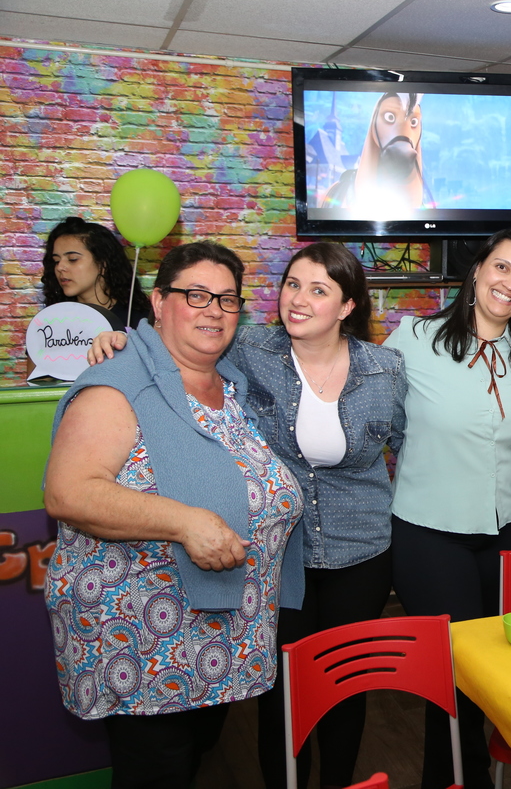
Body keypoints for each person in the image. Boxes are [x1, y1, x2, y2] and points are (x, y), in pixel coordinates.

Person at [88, 242, 408, 788]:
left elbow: (406, 443)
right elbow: (177, 342)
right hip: (279, 556)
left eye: (318, 290)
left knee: (344, 686)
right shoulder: (250, 347)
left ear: (348, 305)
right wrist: (123, 340)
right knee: (280, 690)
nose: (297, 299)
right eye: (291, 284)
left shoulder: (385, 369)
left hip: (362, 551)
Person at [43, 241, 303, 788]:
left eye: (227, 299)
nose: (214, 310)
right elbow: (69, 492)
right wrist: (185, 522)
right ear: (160, 302)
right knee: (157, 770)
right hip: (142, 639)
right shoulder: (119, 382)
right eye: (197, 295)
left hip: (221, 632)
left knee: (190, 760)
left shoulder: (230, 382)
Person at [385, 229, 511, 789]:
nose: (510, 284)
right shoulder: (414, 338)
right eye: (502, 267)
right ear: (477, 270)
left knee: (492, 668)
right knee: (455, 677)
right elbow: (369, 407)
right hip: (430, 534)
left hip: (506, 530)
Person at [42, 216, 152, 328]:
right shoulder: (54, 321)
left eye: (72, 259)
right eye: (56, 261)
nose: (60, 267)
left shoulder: (140, 321)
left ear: (103, 263)